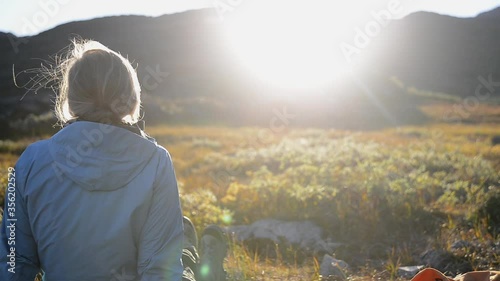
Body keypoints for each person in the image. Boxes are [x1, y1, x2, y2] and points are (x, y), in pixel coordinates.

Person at [0, 40, 227, 281]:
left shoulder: (29, 162)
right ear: (130, 96)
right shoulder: (156, 161)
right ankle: (200, 262)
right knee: (183, 266)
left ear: (72, 98)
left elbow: (14, 264)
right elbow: (158, 270)